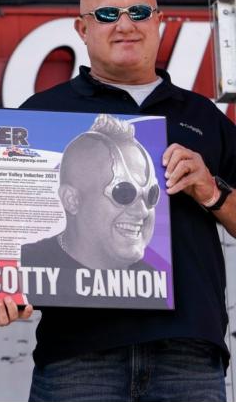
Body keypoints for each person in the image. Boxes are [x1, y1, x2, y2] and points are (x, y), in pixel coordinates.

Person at [16, 0, 236, 402]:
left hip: (187, 356)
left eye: (138, 11)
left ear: (158, 21)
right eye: (107, 14)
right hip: (78, 357)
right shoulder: (40, 115)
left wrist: (212, 192)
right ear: (82, 28)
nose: (125, 24)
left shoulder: (203, 115)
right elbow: (2, 238)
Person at [20, 113, 168, 308]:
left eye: (150, 195)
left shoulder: (148, 283)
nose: (142, 211)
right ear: (71, 200)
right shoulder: (24, 266)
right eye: (123, 193)